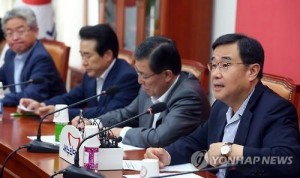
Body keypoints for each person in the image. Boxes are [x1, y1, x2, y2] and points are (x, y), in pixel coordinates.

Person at [144, 33, 300, 178]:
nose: (216, 74)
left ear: (252, 71)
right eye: (214, 65)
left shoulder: (276, 109)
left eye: (225, 65)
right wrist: (167, 154)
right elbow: (195, 141)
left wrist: (230, 151)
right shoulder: (221, 106)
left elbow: (287, 161)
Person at [72, 36, 211, 148]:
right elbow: (127, 114)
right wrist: (94, 123)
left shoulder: (189, 96)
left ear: (167, 75)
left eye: (144, 75)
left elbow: (159, 138)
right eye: (138, 73)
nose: (139, 81)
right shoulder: (149, 85)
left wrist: (119, 132)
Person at [19, 24, 140, 121]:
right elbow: (71, 98)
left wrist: (60, 113)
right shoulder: (92, 73)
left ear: (108, 55)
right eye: (82, 55)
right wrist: (42, 105)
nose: (84, 62)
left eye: (88, 56)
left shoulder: (127, 78)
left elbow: (108, 113)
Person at [0, 6, 66, 106]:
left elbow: (31, 95)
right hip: (20, 112)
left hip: (46, 116)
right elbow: (2, 78)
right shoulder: (11, 53)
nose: (15, 38)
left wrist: (1, 98)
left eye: (21, 31)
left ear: (35, 31)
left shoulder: (41, 58)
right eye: (9, 33)